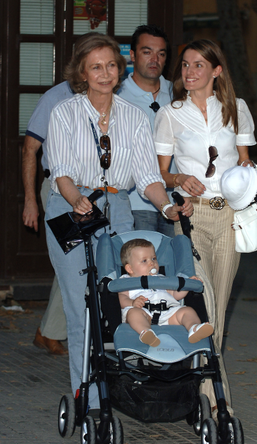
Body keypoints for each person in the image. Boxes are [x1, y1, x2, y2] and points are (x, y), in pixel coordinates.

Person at [44, 33, 193, 409]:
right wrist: (76, 197)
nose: (105, 73)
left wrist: (167, 208)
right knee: (81, 306)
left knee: (120, 300)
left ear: (120, 68)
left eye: (111, 65)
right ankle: (88, 396)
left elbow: (148, 178)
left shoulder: (133, 116)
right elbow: (60, 169)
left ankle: (128, 386)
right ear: (81, 71)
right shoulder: (65, 112)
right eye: (96, 66)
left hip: (117, 209)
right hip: (70, 209)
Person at [153, 39, 257, 349]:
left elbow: (245, 163)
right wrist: (180, 178)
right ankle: (210, 392)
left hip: (229, 216)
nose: (189, 71)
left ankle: (210, 389)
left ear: (217, 70)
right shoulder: (170, 114)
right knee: (202, 299)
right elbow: (159, 174)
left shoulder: (236, 108)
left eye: (199, 65)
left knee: (218, 307)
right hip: (190, 216)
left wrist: (247, 176)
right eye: (185, 64)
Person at [22, 78, 74, 355]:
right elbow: (30, 148)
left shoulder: (106, 96)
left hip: (93, 193)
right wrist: (30, 200)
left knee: (75, 262)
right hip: (56, 191)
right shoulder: (55, 97)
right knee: (71, 262)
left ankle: (48, 330)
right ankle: (50, 331)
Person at [118, 24, 177, 237]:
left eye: (161, 54)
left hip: (175, 201)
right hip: (135, 203)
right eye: (147, 52)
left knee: (177, 267)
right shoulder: (117, 97)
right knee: (140, 268)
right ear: (132, 55)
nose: (155, 59)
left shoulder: (177, 93)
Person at [119, 238, 213, 346]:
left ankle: (194, 328)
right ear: (129, 268)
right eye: (144, 261)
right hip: (144, 313)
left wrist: (187, 285)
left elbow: (174, 294)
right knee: (133, 313)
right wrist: (132, 303)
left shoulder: (162, 278)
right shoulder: (126, 281)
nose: (151, 263)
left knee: (187, 311)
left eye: (154, 258)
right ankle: (145, 332)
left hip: (168, 313)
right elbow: (121, 297)